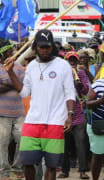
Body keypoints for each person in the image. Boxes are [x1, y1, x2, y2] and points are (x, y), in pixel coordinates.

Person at [5, 29, 76, 180]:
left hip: (55, 123)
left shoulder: (63, 66)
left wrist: (69, 115)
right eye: (42, 47)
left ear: (53, 47)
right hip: (32, 122)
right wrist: (10, 73)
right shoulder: (31, 67)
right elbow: (24, 92)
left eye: (48, 47)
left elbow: (70, 93)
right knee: (27, 163)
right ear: (35, 47)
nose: (45, 50)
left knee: (51, 166)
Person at [0, 42, 25, 180]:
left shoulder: (19, 67)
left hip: (19, 111)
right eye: (9, 52)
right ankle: (4, 171)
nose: (12, 53)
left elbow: (22, 86)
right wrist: (14, 83)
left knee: (22, 139)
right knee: (3, 143)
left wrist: (6, 82)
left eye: (12, 51)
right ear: (1, 54)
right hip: (2, 112)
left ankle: (17, 167)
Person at [57, 51, 90, 179]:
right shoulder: (61, 73)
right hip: (63, 113)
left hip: (77, 113)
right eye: (69, 60)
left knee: (80, 143)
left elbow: (86, 90)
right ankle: (65, 171)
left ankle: (82, 171)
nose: (72, 62)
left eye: (74, 60)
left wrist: (80, 86)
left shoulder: (80, 73)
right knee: (64, 144)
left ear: (76, 62)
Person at [86, 78, 104, 180]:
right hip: (99, 126)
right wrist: (101, 100)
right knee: (98, 156)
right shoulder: (98, 84)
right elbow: (88, 104)